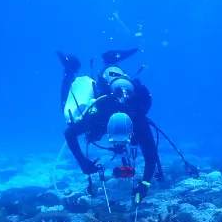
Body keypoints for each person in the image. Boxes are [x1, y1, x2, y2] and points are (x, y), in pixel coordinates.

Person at [57, 49, 159, 204]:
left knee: (71, 117)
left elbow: (151, 157)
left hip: (116, 94)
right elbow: (69, 133)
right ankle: (70, 71)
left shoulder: (139, 120)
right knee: (68, 111)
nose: (118, 144)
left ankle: (110, 62)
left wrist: (145, 184)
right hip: (104, 101)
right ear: (107, 129)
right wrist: (82, 162)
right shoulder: (97, 117)